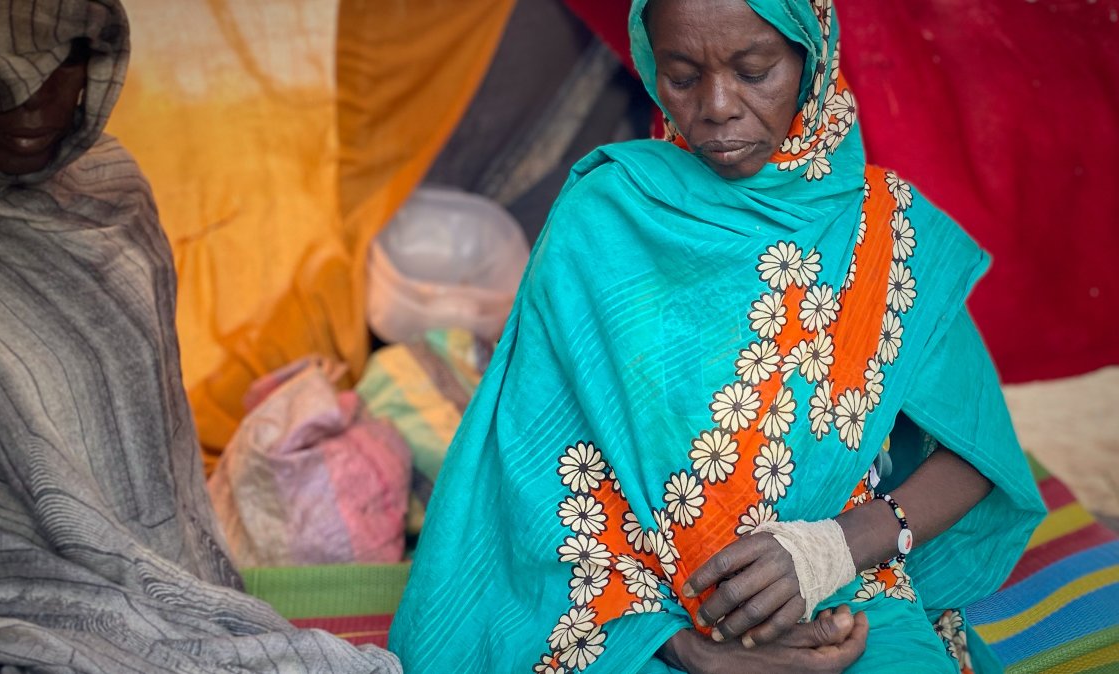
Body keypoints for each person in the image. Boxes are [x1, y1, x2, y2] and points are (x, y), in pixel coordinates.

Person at [389, 0, 1045, 672]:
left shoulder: (886, 237)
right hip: (622, 608)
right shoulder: (605, 217)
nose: (718, 106)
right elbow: (528, 472)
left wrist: (831, 550)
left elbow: (975, 455)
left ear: (811, 59)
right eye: (681, 75)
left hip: (838, 591)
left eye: (755, 71)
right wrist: (685, 648)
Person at [0, 1, 399, 671]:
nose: (31, 98)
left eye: (67, 57)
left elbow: (160, 434)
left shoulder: (112, 193)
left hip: (173, 568)